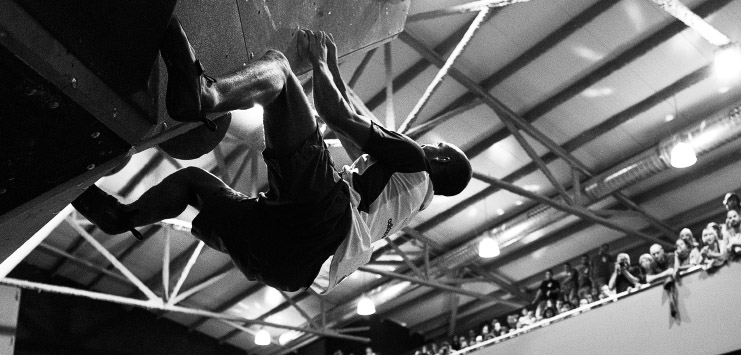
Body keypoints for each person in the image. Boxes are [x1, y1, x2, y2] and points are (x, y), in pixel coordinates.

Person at [70, 23, 471, 294]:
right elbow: (355, 128)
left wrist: (316, 63)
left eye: (438, 147)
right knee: (193, 184)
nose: (428, 143)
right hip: (290, 268)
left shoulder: (414, 160)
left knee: (278, 71)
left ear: (441, 162)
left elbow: (338, 117)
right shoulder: (408, 196)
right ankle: (119, 218)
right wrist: (331, 68)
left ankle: (206, 95)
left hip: (321, 216)